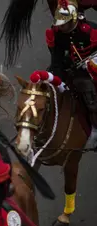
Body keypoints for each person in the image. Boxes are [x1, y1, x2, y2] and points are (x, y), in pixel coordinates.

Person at [46, 0, 97, 147]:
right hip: (70, 65)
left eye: (64, 23)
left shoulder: (90, 31)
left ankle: (94, 126)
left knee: (87, 88)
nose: (61, 26)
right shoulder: (56, 33)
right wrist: (57, 80)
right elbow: (56, 58)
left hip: (92, 67)